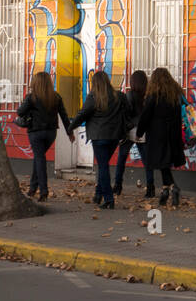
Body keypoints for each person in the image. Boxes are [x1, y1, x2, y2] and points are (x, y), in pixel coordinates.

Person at [70, 69, 128, 210]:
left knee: (103, 167)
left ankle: (108, 199)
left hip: (98, 137)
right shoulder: (119, 96)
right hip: (114, 136)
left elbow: (82, 114)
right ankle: (98, 195)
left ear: (94, 83)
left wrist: (70, 127)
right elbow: (128, 112)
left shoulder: (94, 97)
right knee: (103, 166)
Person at [16, 71, 73, 202]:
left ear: (35, 83)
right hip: (51, 133)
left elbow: (20, 112)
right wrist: (69, 133)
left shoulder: (32, 98)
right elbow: (64, 116)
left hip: (35, 132)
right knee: (38, 158)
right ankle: (32, 188)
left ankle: (43, 191)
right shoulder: (56, 97)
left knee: (39, 159)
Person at [137, 67, 186, 208]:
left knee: (162, 164)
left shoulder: (154, 96)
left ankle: (173, 187)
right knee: (165, 164)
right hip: (173, 135)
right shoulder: (175, 95)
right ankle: (165, 191)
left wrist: (140, 132)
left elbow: (146, 116)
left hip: (158, 136)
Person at [114, 70, 149, 198]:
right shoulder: (147, 96)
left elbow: (126, 114)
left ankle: (118, 186)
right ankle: (150, 188)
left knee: (121, 158)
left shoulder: (129, 95)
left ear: (132, 82)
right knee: (147, 161)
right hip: (143, 131)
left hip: (129, 132)